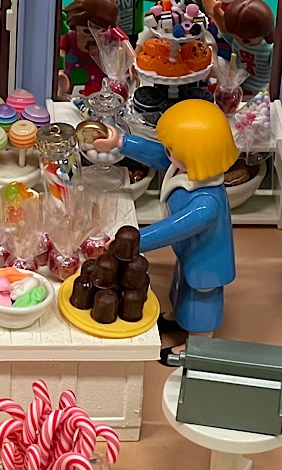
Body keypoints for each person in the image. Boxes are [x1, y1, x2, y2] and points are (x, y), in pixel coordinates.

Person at [91, 100, 239, 365]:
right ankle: (179, 318)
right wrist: (121, 142)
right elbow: (159, 154)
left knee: (201, 299)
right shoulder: (186, 167)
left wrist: (132, 242)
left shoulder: (207, 205)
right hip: (191, 252)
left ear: (195, 155)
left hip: (207, 262)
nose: (166, 152)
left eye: (172, 149)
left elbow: (172, 229)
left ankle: (198, 344)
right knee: (181, 287)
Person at [204, 0, 274, 96]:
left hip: (260, 91)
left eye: (246, 40)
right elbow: (224, 30)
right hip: (237, 84)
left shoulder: (269, 50)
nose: (239, 40)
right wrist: (216, 13)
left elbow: (277, 72)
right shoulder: (236, 41)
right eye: (235, 36)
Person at [59, 0, 122, 96]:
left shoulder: (108, 36)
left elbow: (120, 38)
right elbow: (60, 55)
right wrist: (60, 74)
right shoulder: (69, 37)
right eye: (87, 31)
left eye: (99, 31)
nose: (94, 36)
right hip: (72, 89)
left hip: (100, 90)